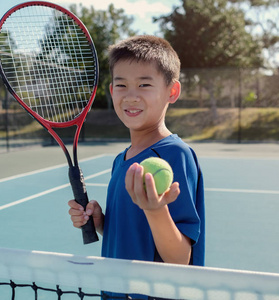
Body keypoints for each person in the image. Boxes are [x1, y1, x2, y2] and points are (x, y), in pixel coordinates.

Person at [68, 35, 205, 298]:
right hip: (115, 290)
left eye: (144, 84)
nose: (131, 96)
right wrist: (101, 223)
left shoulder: (175, 155)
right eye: (121, 85)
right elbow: (135, 235)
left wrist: (156, 211)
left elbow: (180, 258)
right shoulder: (121, 159)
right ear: (111, 92)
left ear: (172, 92)